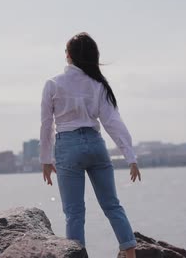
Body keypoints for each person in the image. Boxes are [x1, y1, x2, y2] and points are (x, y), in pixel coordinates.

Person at [39, 32, 142, 258]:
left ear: (69, 56)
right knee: (112, 205)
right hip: (96, 145)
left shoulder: (53, 84)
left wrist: (46, 160)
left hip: (68, 146)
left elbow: (46, 125)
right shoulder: (98, 84)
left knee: (74, 213)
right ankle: (131, 253)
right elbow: (113, 122)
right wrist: (130, 157)